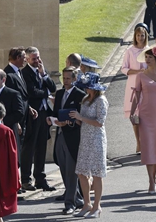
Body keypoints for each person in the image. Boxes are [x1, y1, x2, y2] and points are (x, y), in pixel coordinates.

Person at [130, 44, 156, 194]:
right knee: (147, 147)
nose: (147, 60)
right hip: (145, 115)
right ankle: (151, 181)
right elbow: (136, 97)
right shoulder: (140, 75)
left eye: (150, 57)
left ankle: (154, 176)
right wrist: (133, 114)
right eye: (146, 57)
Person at [69, 72, 108, 218]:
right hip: (85, 138)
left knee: (97, 174)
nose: (86, 90)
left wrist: (81, 118)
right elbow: (83, 120)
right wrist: (74, 118)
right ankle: (87, 204)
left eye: (88, 87)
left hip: (97, 140)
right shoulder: (86, 99)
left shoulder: (101, 100)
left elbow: (99, 122)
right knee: (81, 172)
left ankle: (97, 206)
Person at [47, 66, 85, 215]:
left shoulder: (80, 95)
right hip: (60, 135)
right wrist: (51, 119)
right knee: (63, 168)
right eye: (64, 78)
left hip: (73, 137)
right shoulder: (60, 93)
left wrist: (68, 122)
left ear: (75, 79)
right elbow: (56, 113)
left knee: (71, 171)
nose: (66, 81)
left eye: (69, 78)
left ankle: (70, 203)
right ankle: (78, 199)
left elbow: (81, 119)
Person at [20, 46, 57, 191]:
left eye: (38, 58)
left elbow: (52, 87)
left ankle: (40, 178)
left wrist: (44, 75)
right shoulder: (25, 73)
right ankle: (26, 179)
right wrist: (46, 93)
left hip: (43, 113)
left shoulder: (42, 70)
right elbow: (32, 92)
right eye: (34, 59)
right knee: (29, 147)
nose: (37, 61)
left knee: (42, 146)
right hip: (32, 114)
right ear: (27, 59)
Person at [121, 22, 149, 155]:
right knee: (135, 117)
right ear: (135, 36)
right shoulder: (130, 51)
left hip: (146, 86)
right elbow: (123, 68)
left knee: (144, 116)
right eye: (138, 35)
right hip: (132, 84)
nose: (140, 38)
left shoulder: (149, 50)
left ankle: (145, 142)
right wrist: (135, 71)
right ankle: (138, 142)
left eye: (142, 35)